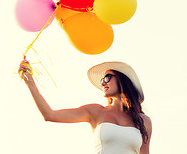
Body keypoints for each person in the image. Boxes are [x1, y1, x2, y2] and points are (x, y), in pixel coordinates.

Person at [19, 60, 152, 154]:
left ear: (123, 80)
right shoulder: (96, 111)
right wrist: (30, 82)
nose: (103, 83)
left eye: (107, 77)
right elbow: (50, 115)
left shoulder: (143, 121)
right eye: (102, 80)